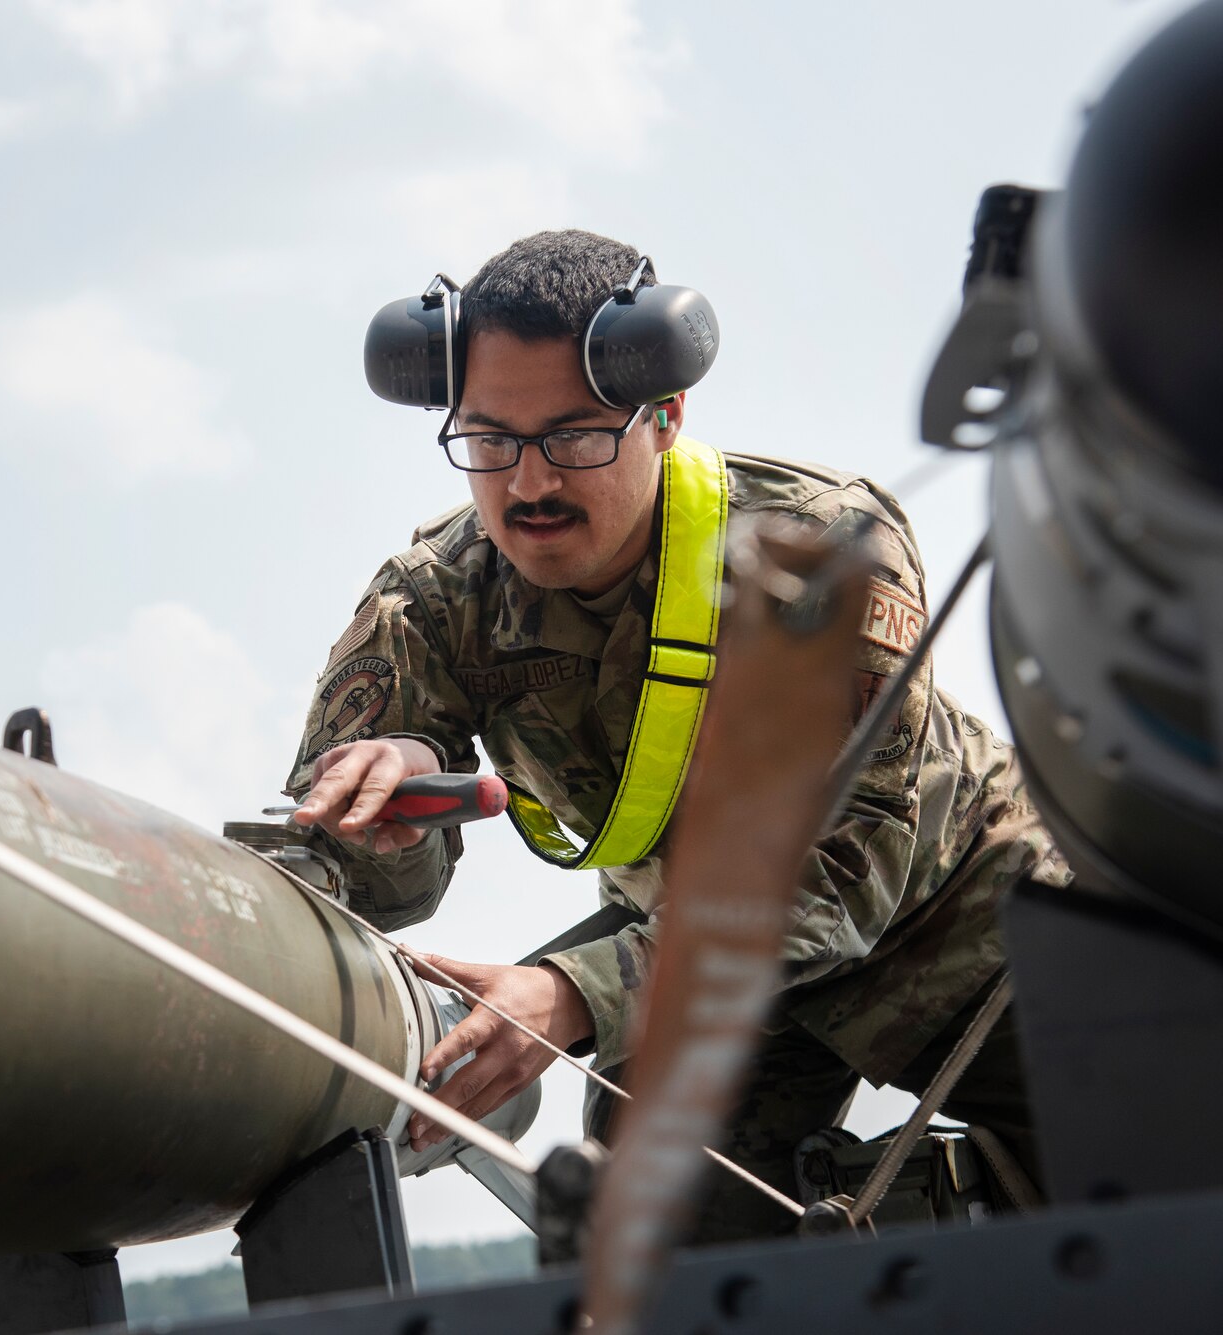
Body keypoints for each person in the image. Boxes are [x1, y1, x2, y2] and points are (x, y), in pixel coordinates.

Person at [283, 228, 1067, 1241]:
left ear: (663, 416)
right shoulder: (434, 597)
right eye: (488, 440)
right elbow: (356, 886)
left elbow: (845, 874)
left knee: (1154, 1162)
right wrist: (392, 808)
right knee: (637, 1252)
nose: (526, 486)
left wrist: (574, 991)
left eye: (573, 437)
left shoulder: (816, 548)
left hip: (962, 932)